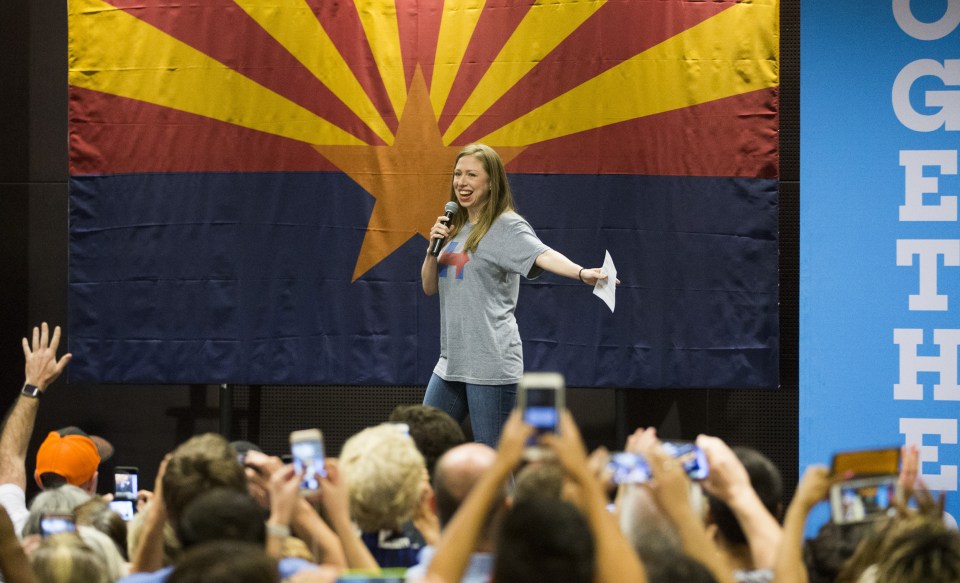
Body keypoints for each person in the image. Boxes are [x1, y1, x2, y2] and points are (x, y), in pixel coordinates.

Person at [421, 144, 612, 447]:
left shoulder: (506, 226)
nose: (462, 182)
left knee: (495, 463)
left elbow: (543, 254)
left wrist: (580, 272)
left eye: (472, 174)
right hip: (450, 363)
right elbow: (429, 287)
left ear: (491, 182)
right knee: (421, 443)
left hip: (491, 365)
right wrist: (433, 249)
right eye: (458, 174)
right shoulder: (454, 227)